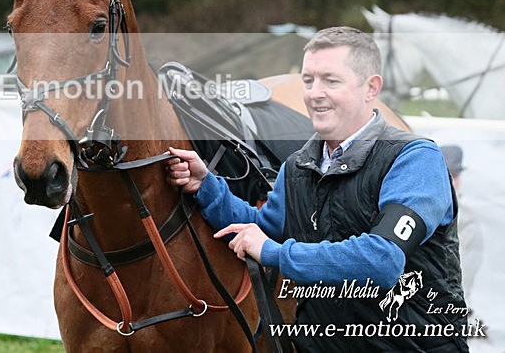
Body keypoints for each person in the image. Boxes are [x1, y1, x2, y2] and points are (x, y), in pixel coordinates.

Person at [166, 27, 468, 352]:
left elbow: (381, 260)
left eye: (331, 80)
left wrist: (275, 253)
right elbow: (262, 229)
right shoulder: (298, 166)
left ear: (371, 88)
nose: (314, 93)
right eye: (308, 80)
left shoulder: (415, 159)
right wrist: (207, 186)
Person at [441, 144, 483, 299]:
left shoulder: (467, 220)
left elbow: (465, 270)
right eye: (445, 174)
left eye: (454, 175)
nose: (450, 181)